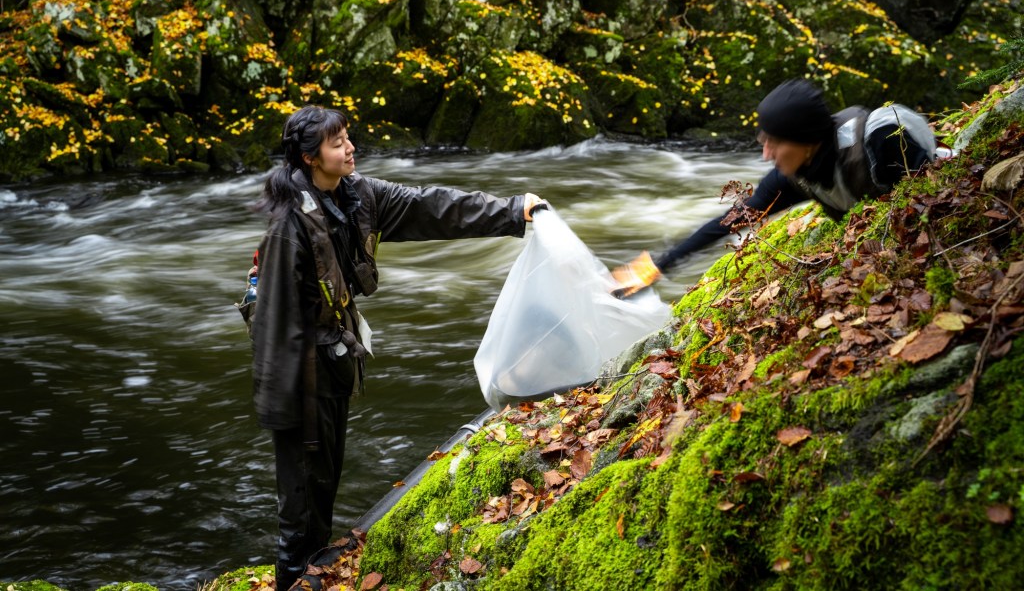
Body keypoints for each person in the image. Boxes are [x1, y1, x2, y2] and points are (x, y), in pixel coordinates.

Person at [248, 105, 544, 590]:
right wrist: (282, 410)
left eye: (347, 137)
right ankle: (294, 582)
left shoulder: (358, 194)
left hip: (334, 364)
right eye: (336, 142)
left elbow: (434, 206)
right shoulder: (288, 227)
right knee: (299, 516)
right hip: (298, 381)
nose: (350, 148)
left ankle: (312, 578)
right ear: (308, 158)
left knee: (321, 497)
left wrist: (515, 211)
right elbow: (274, 325)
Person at [612, 78, 936, 296]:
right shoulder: (795, 175)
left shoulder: (879, 142)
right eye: (764, 141)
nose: (766, 154)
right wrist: (658, 265)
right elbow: (733, 220)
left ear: (808, 141)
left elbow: (932, 201)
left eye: (776, 144)